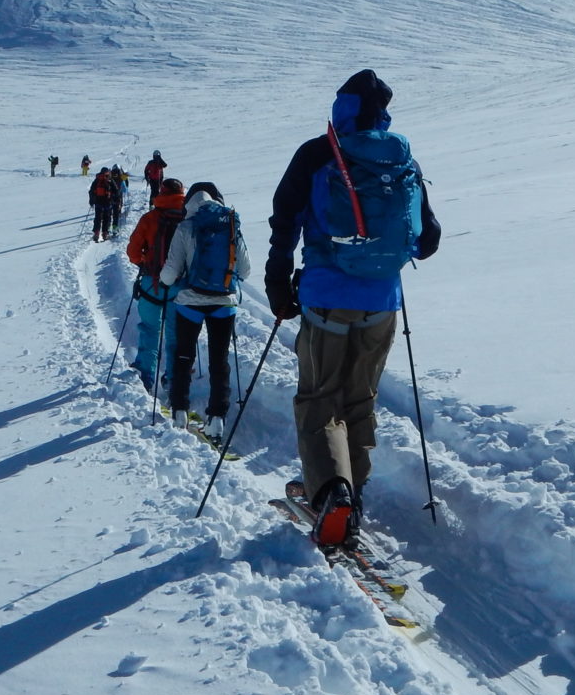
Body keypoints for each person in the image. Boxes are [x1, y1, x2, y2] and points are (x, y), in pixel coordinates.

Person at [266, 70, 440, 548]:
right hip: (382, 302)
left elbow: (284, 222)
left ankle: (331, 495)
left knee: (320, 398)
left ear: (341, 106)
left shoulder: (319, 152)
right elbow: (428, 240)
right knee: (359, 398)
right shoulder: (399, 156)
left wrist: (278, 285)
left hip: (326, 296)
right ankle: (352, 497)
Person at [158, 181, 248, 434]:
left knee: (183, 356)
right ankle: (217, 419)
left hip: (190, 302)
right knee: (219, 361)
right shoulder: (230, 224)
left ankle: (179, 412)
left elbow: (169, 274)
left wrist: (172, 280)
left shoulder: (186, 226)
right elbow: (246, 269)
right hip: (224, 303)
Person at [124, 177, 186, 392]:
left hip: (152, 283)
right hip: (179, 285)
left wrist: (145, 263)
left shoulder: (150, 218)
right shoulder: (188, 218)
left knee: (150, 328)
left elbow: (132, 252)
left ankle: (145, 373)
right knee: (174, 332)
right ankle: (173, 377)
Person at [88, 167, 119, 241]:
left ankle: (96, 233)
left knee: (97, 218)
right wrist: (115, 199)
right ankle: (105, 233)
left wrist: (91, 200)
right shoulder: (110, 180)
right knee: (106, 218)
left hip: (98, 202)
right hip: (108, 203)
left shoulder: (97, 179)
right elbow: (116, 191)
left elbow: (91, 191)